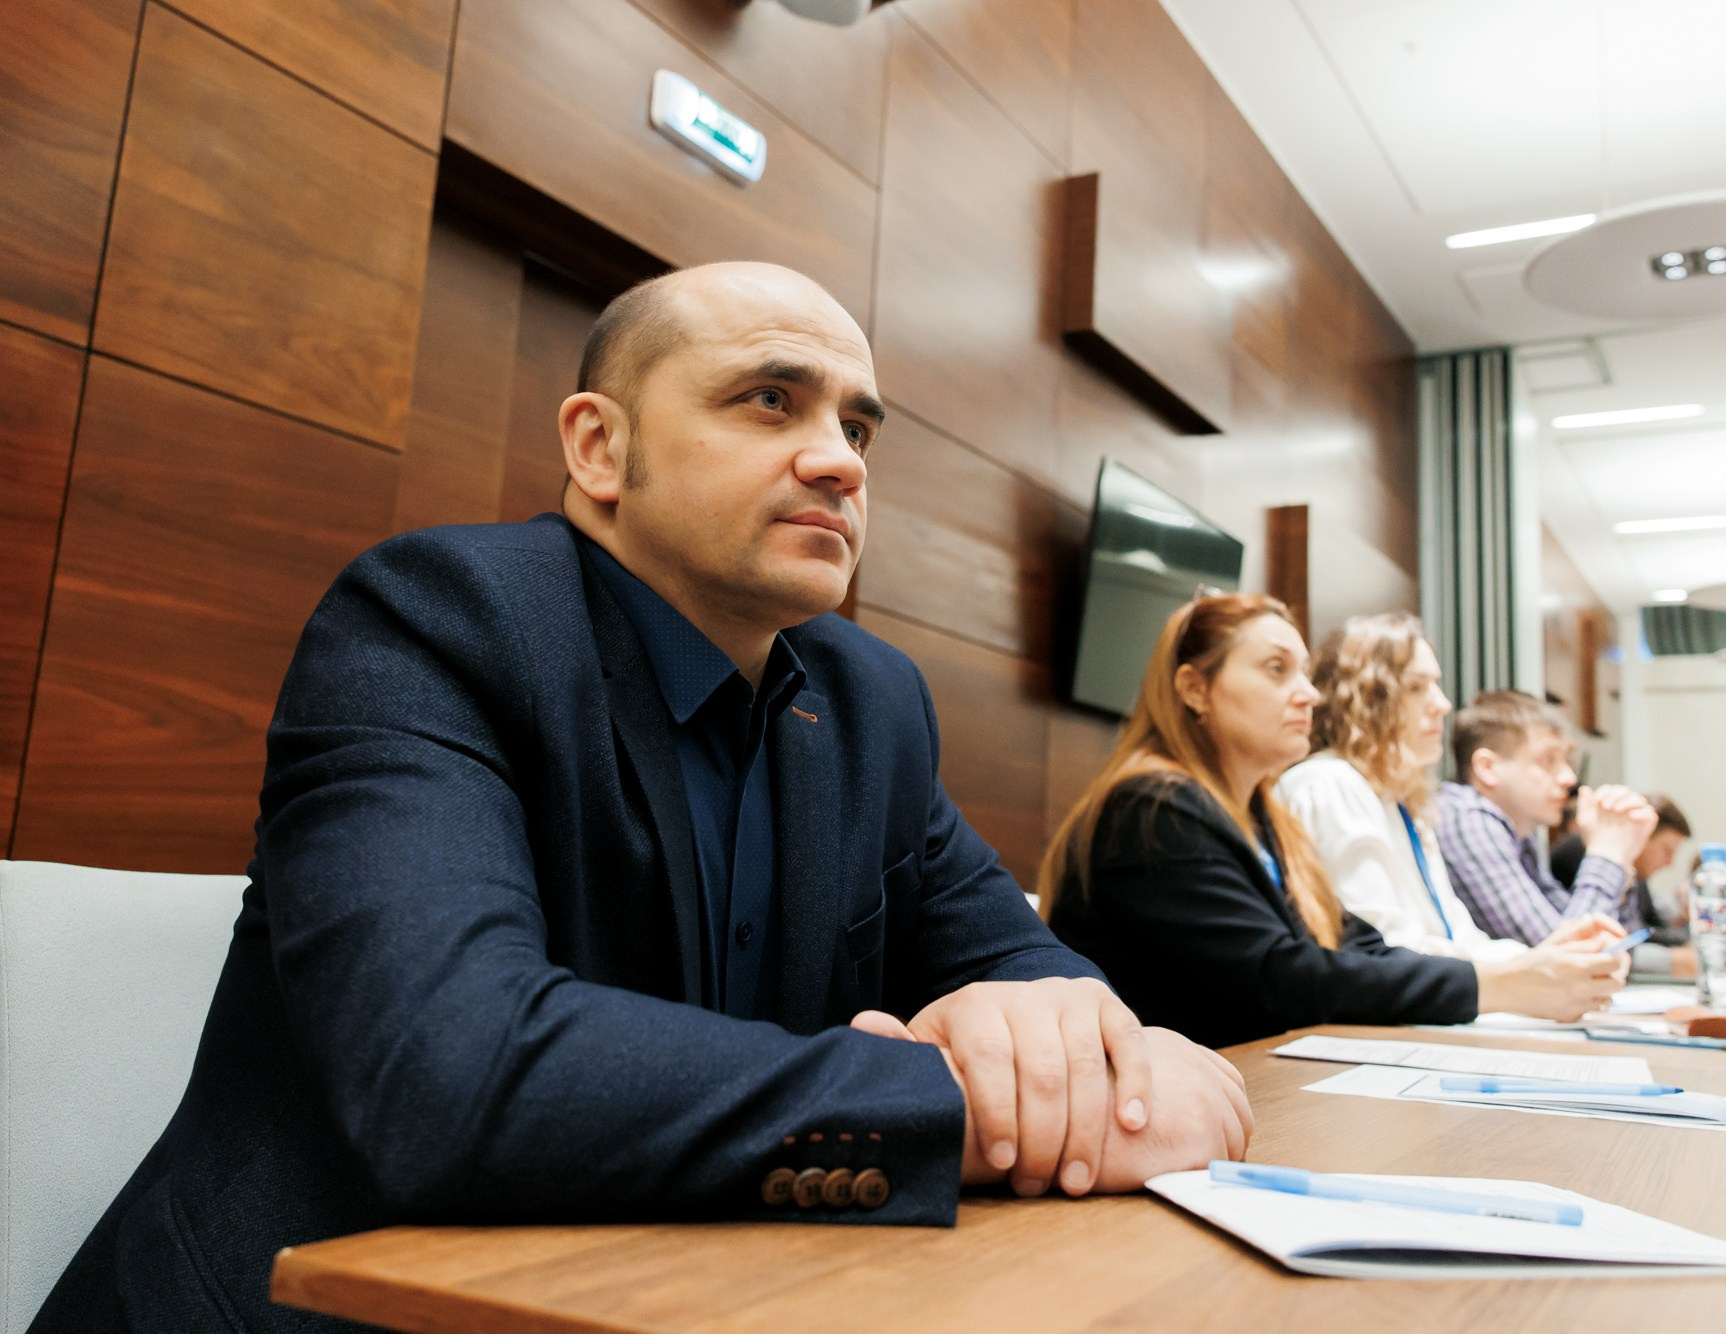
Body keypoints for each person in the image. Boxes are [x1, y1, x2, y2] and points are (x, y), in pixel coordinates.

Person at [34, 264, 1250, 1331]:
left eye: (858, 429)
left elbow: (1032, 977)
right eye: (769, 398)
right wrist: (943, 1101)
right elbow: (449, 1075)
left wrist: (1105, 1054)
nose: (838, 459)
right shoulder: (433, 618)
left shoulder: (871, 700)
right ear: (597, 447)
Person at [1039, 595, 1627, 1050]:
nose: (1309, 696)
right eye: (1276, 670)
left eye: (1304, 674)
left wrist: (1520, 972)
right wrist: (1501, 985)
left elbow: (1358, 942)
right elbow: (1278, 980)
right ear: (1195, 688)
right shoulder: (1153, 806)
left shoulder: (1263, 817)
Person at [1276, 613, 1623, 1000]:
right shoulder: (1329, 785)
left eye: (1436, 685)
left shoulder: (1399, 802)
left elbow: (1460, 936)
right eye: (1416, 687)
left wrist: (1546, 961)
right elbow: (1382, 949)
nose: (1441, 704)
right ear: (1364, 699)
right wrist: (1527, 971)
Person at [1436, 691, 1673, 974]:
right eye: (1548, 760)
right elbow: (1568, 962)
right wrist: (1607, 854)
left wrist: (1621, 862)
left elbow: (1619, 952)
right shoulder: (1467, 819)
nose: (1569, 778)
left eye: (1566, 760)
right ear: (1488, 768)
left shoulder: (1519, 837)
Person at [1549, 793, 1695, 947]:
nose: (1670, 862)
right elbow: (1594, 940)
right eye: (1667, 850)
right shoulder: (1585, 853)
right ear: (1644, 835)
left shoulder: (1636, 871)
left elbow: (1649, 925)